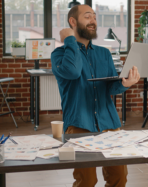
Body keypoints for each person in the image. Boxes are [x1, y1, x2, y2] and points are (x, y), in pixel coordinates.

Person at [51, 4, 140, 187]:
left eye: (94, 17)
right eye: (87, 16)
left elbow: (109, 88)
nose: (93, 21)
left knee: (119, 177)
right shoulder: (58, 55)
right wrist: (69, 39)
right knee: (87, 181)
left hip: (109, 122)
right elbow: (73, 71)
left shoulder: (104, 53)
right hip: (79, 124)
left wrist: (124, 84)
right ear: (73, 22)